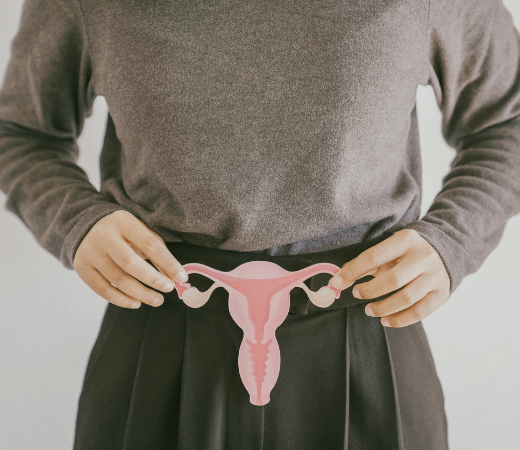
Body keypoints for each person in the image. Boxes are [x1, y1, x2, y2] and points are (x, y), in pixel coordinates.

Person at [1, 0, 520, 448]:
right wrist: (76, 220)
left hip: (367, 339)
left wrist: (454, 237)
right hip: (158, 339)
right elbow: (21, 132)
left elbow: (507, 123)